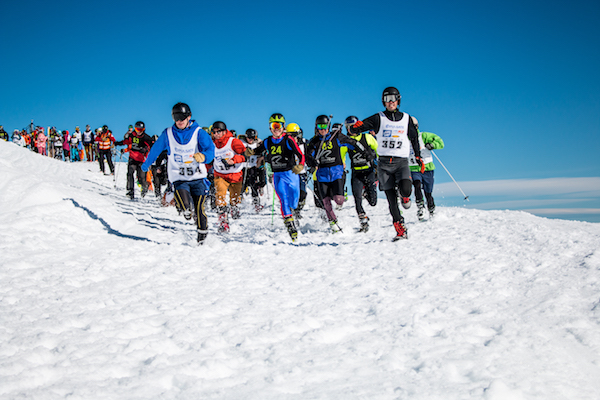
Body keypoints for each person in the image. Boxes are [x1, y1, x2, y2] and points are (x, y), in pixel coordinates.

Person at [349, 86, 424, 240]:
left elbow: (414, 138)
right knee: (391, 200)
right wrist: (356, 128)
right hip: (384, 164)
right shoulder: (379, 118)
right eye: (387, 99)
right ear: (383, 101)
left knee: (406, 189)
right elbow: (359, 128)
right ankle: (400, 229)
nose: (391, 102)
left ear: (398, 100)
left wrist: (418, 156)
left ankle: (405, 196)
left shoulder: (406, 118)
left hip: (401, 162)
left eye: (393, 99)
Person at [141, 102, 215, 245]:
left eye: (182, 118)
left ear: (189, 117)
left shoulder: (199, 132)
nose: (179, 121)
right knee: (184, 204)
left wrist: (204, 157)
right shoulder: (168, 134)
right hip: (179, 177)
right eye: (176, 118)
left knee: (199, 208)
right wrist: (146, 164)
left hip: (197, 177)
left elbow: (210, 150)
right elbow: (155, 150)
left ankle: (202, 238)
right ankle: (186, 210)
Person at [306, 115, 367, 233]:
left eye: (325, 126)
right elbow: (308, 156)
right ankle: (333, 222)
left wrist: (365, 153)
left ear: (329, 126)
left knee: (339, 200)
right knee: (326, 202)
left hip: (336, 173)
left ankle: (341, 195)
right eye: (320, 126)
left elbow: (353, 143)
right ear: (316, 127)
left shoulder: (337, 136)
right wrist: (312, 162)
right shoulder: (314, 142)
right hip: (322, 175)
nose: (322, 129)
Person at [255, 113, 305, 241]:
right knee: (283, 199)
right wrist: (247, 152)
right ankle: (290, 225)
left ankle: (293, 212)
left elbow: (300, 155)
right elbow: (256, 151)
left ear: (283, 127)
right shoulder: (267, 141)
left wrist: (300, 165)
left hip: (291, 174)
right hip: (278, 175)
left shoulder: (288, 140)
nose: (276, 129)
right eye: (274, 126)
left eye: (279, 125)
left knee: (294, 201)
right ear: (270, 127)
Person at [211, 121, 247, 232]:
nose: (216, 134)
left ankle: (234, 207)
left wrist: (234, 160)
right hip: (220, 174)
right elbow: (209, 159)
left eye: (218, 132)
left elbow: (244, 156)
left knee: (235, 197)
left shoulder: (233, 142)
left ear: (224, 131)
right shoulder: (212, 144)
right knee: (220, 195)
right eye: (214, 132)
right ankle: (223, 221)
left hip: (235, 174)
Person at [345, 115, 379, 232]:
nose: (351, 129)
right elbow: (342, 154)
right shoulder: (347, 141)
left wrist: (379, 164)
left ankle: (366, 193)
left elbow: (378, 150)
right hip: (356, 172)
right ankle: (362, 219)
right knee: (357, 197)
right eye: (349, 127)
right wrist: (342, 164)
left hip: (369, 171)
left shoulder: (367, 137)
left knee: (373, 202)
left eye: (353, 126)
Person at [408, 118, 444, 221]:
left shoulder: (423, 136)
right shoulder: (404, 139)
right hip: (413, 167)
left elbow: (440, 142)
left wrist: (432, 145)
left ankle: (431, 209)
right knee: (417, 185)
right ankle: (420, 207)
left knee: (428, 192)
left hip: (427, 167)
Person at [116, 121, 154, 199]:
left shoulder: (146, 138)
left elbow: (151, 146)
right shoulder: (132, 136)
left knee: (141, 178)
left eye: (140, 130)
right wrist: (119, 144)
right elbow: (127, 143)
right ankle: (130, 191)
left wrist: (145, 149)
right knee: (130, 173)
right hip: (132, 158)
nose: (138, 132)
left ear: (143, 129)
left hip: (141, 160)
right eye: (137, 129)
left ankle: (145, 187)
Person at [238, 128, 267, 212]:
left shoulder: (258, 143)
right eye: (249, 137)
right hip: (243, 167)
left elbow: (262, 152)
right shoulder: (241, 142)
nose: (250, 139)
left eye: (252, 138)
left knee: (253, 184)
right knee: (242, 185)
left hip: (253, 167)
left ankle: (256, 203)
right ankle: (237, 202)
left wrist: (261, 157)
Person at [285, 123, 309, 217]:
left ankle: (298, 209)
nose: (293, 138)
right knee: (292, 192)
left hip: (301, 172)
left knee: (302, 193)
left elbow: (309, 155)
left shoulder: (304, 143)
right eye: (291, 136)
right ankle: (292, 209)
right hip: (290, 173)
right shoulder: (286, 144)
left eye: (295, 135)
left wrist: (312, 164)